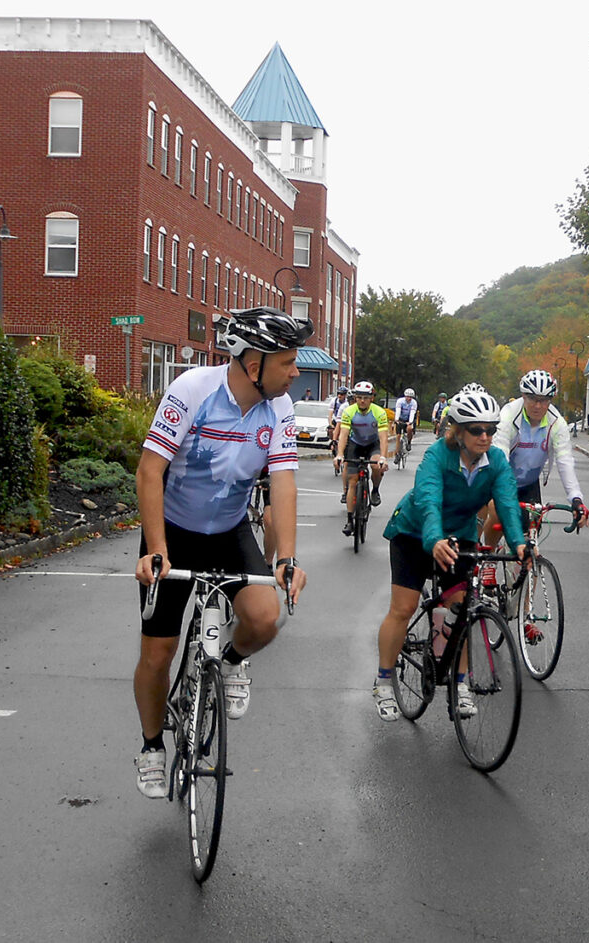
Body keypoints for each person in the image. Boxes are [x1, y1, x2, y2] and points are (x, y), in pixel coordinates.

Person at [132, 307, 309, 798]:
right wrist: (157, 550)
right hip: (172, 530)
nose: (296, 372)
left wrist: (287, 558)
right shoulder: (192, 390)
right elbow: (149, 471)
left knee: (264, 617)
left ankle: (230, 660)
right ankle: (151, 746)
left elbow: (284, 482)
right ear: (253, 363)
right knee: (158, 652)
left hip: (229, 531)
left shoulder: (280, 409)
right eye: (288, 362)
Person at [371, 386, 529, 722]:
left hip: (459, 536)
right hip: (415, 533)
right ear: (458, 430)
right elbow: (428, 501)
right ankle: (383, 681)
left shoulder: (496, 462)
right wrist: (434, 540)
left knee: (462, 609)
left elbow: (506, 504)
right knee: (404, 607)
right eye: (476, 430)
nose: (485, 436)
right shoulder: (437, 457)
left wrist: (518, 543)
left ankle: (461, 686)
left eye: (490, 429)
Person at [481, 369, 589, 546]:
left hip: (528, 483)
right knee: (497, 513)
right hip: (500, 479)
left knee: (530, 537)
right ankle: (490, 557)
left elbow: (565, 462)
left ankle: (524, 570)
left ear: (550, 400)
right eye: (532, 399)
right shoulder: (508, 415)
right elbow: (500, 456)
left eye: (544, 400)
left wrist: (576, 499)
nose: (538, 406)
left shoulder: (556, 423)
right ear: (523, 396)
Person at [334, 380, 389, 535]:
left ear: (372, 398)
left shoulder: (379, 412)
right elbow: (344, 435)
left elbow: (383, 437)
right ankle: (350, 520)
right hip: (356, 444)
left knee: (375, 465)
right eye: (359, 397)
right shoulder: (349, 412)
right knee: (352, 481)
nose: (362, 400)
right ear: (355, 398)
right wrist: (339, 454)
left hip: (373, 444)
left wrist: (383, 458)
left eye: (366, 397)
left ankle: (375, 490)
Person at [393, 387, 419, 454]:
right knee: (398, 436)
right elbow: (398, 410)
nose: (409, 398)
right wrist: (396, 419)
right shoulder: (400, 401)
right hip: (400, 419)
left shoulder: (414, 403)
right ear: (405, 396)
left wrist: (410, 422)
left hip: (408, 419)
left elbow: (412, 412)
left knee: (409, 429)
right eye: (408, 397)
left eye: (411, 397)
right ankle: (397, 453)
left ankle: (409, 442)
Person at [327, 385, 350, 458]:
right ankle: (333, 443)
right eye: (338, 394)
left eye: (342, 394)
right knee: (331, 430)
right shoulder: (334, 401)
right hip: (336, 418)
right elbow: (330, 414)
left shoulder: (347, 402)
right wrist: (330, 424)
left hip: (344, 420)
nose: (339, 396)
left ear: (345, 395)